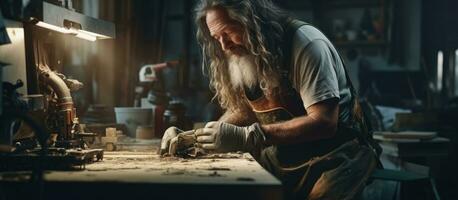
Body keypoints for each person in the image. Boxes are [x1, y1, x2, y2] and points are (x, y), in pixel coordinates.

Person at [161, 0, 380, 199]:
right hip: (284, 156)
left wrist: (250, 136)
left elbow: (324, 122)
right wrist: (197, 138)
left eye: (228, 32)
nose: (224, 46)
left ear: (252, 22)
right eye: (217, 37)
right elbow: (247, 110)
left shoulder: (306, 44)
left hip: (336, 156)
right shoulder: (248, 53)